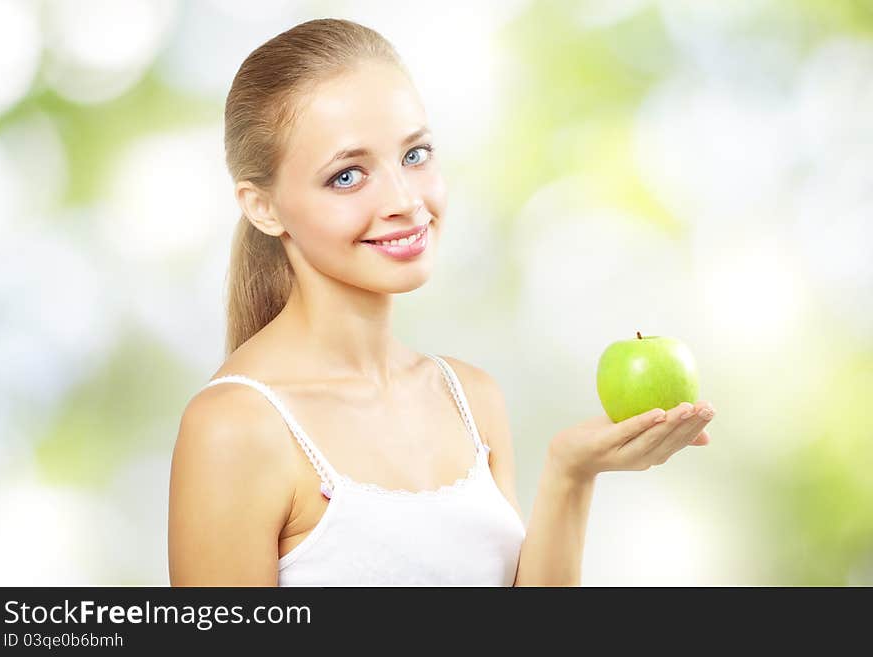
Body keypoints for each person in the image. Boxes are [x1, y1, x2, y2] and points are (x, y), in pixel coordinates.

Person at [167, 18, 716, 587]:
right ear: (264, 208)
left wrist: (572, 473)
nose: (405, 200)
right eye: (348, 175)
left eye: (415, 154)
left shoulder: (470, 398)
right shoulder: (235, 427)